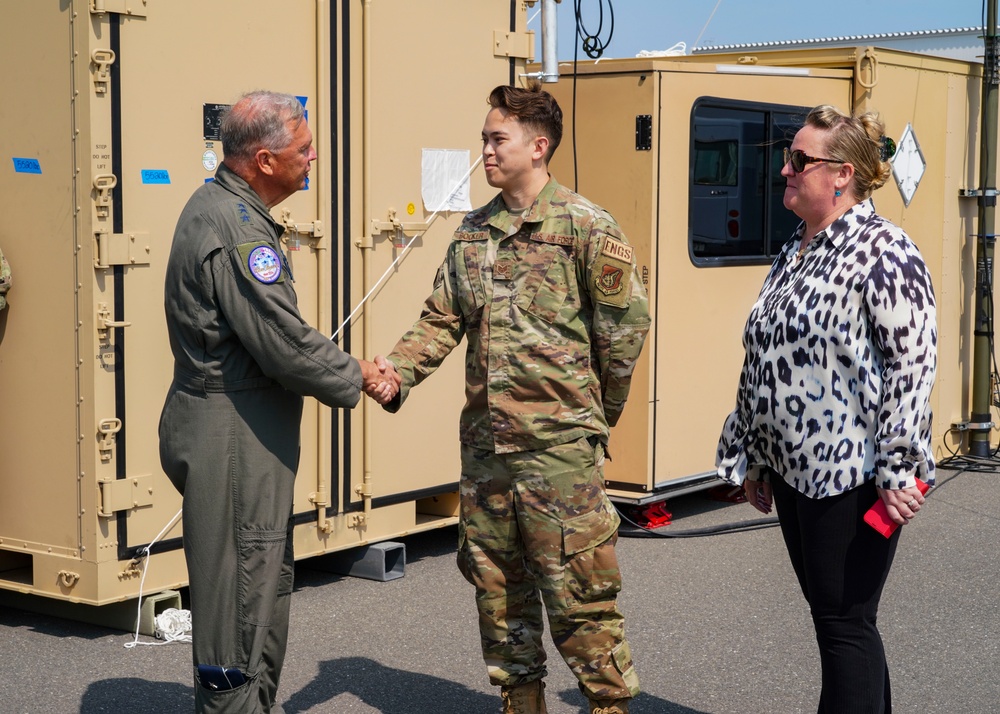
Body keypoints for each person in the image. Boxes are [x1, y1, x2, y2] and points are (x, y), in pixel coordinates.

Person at [375, 83, 650, 714]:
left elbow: (624, 334)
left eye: (498, 140)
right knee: (499, 596)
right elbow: (441, 319)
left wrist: (589, 421)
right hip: (488, 454)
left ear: (539, 146)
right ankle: (520, 702)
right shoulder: (474, 233)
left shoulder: (585, 227)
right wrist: (397, 373)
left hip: (558, 455)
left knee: (580, 596)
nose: (486, 153)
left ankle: (609, 705)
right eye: (485, 140)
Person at [158, 90, 395, 714]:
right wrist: (358, 375)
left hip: (242, 427)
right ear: (264, 160)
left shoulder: (235, 213)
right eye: (304, 149)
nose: (313, 158)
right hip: (231, 432)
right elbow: (282, 343)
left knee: (262, 583)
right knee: (240, 595)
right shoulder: (233, 228)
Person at [716, 104, 937, 713]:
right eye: (787, 159)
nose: (785, 170)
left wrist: (898, 470)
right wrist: (755, 456)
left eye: (798, 160)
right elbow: (765, 355)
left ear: (841, 174)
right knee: (839, 624)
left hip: (854, 477)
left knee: (845, 624)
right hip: (796, 473)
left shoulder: (885, 251)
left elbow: (911, 369)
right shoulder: (799, 248)